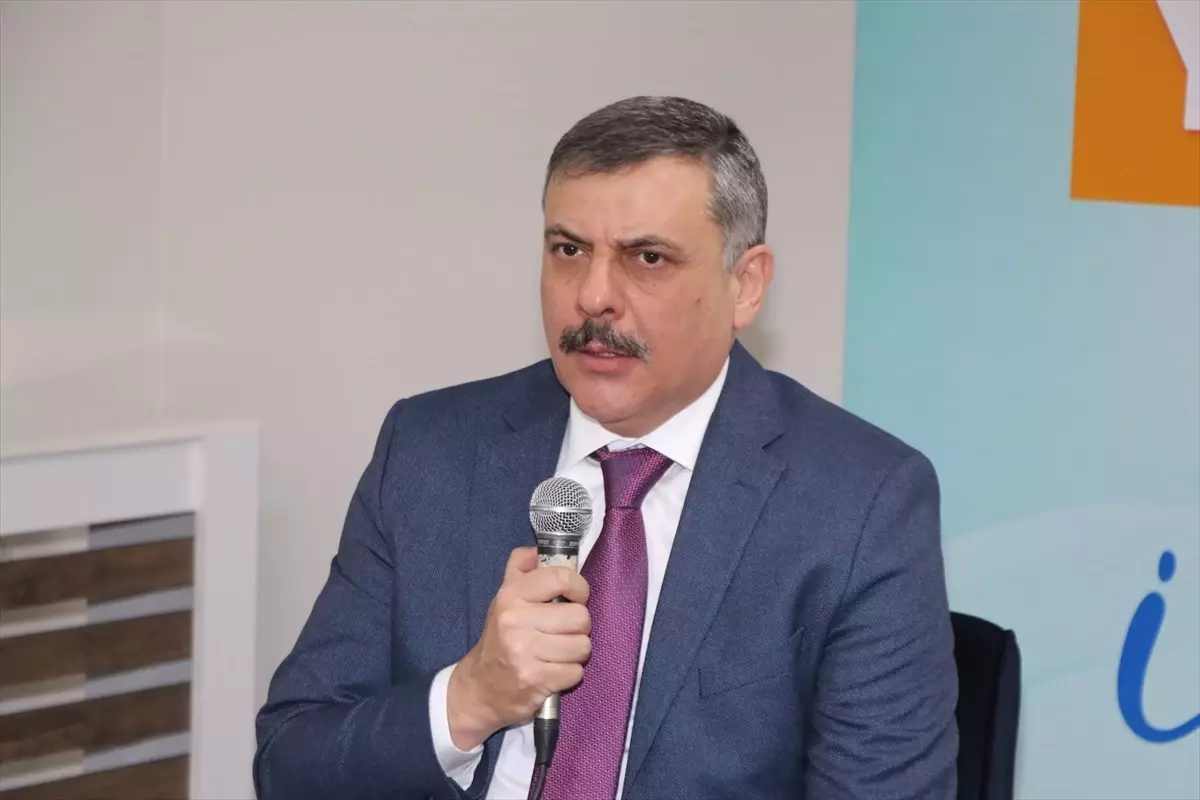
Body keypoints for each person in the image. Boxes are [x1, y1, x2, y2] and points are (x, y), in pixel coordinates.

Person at [254, 95, 959, 800]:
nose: (593, 297)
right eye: (569, 250)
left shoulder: (860, 503)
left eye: (647, 258)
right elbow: (289, 762)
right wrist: (469, 699)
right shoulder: (431, 450)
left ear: (745, 286)